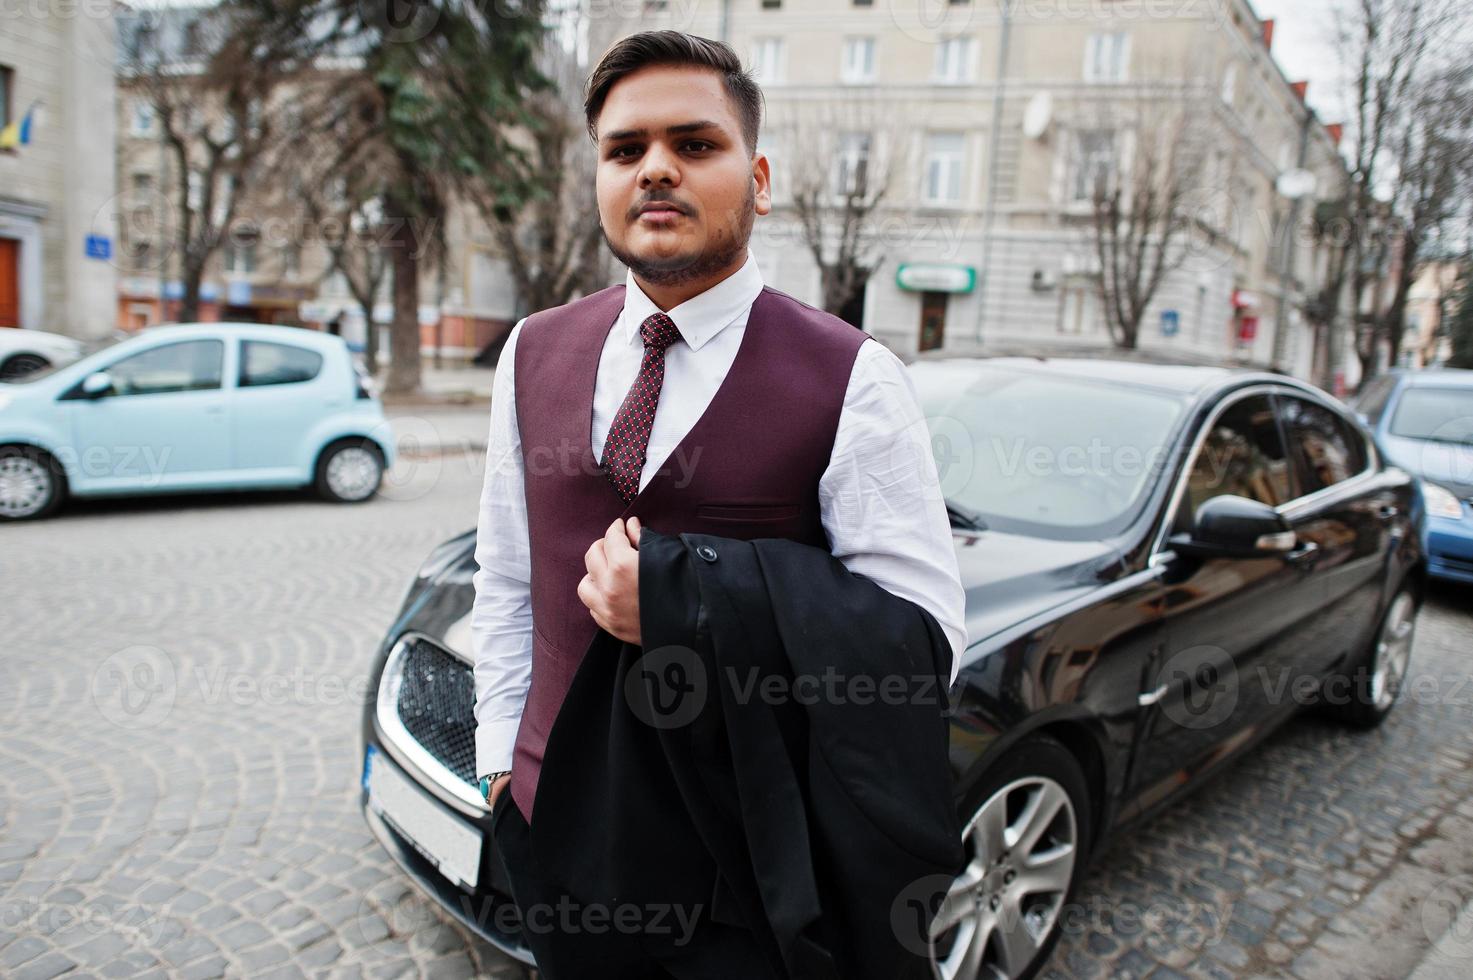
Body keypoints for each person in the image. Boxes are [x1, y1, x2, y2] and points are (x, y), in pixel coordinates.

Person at [470, 29, 967, 978]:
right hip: (555, 832)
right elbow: (506, 577)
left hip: (745, 869)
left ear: (759, 176)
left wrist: (686, 597)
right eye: (625, 150)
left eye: (694, 145)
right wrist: (501, 766)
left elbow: (918, 649)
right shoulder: (532, 350)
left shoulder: (852, 377)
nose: (655, 170)